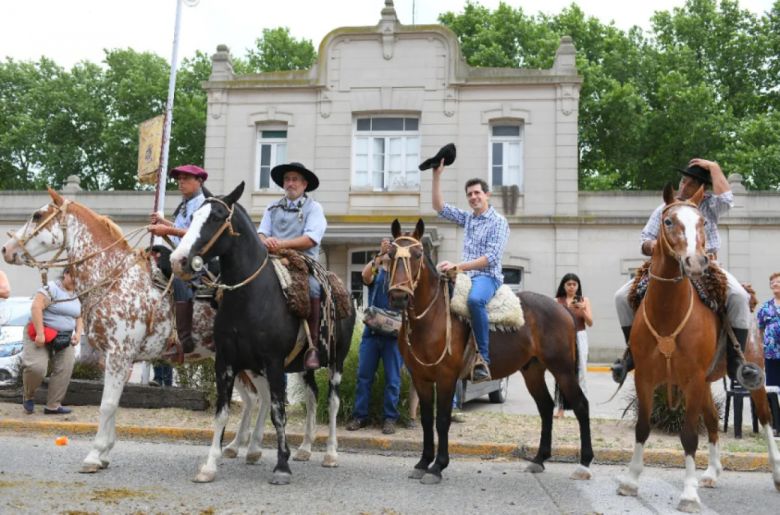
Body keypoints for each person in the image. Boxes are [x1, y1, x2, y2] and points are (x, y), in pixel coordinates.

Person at [611, 158, 757, 387]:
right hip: (665, 267)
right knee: (621, 297)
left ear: (702, 189)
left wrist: (714, 166)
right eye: (683, 180)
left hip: (705, 264)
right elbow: (644, 240)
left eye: (690, 183)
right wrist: (657, 246)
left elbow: (728, 199)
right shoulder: (665, 209)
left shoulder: (709, 205)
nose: (683, 187)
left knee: (739, 296)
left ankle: (736, 361)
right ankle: (631, 355)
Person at [432, 160, 509, 383]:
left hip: (487, 277)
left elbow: (491, 259)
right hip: (465, 276)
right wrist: (437, 175)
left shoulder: (498, 222)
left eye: (477, 193)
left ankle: (483, 359)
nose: (473, 197)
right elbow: (439, 207)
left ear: (487, 195)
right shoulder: (468, 218)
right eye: (469, 194)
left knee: (475, 301)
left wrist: (459, 267)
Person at [257, 162, 327, 370]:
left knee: (313, 287)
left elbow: (310, 240)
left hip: (301, 262)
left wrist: (279, 244)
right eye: (287, 179)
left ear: (305, 184)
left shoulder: (314, 208)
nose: (290, 183)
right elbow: (261, 232)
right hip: (272, 261)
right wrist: (264, 241)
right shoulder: (272, 207)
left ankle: (312, 346)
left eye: (295, 179)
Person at [147, 164, 209, 356]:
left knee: (179, 277)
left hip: (197, 259)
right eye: (179, 179)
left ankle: (184, 338)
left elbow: (196, 234)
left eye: (186, 179)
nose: (181, 183)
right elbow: (181, 231)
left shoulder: (205, 205)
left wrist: (167, 230)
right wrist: (164, 223)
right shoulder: (185, 205)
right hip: (180, 254)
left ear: (199, 181)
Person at [346, 238, 404, 434]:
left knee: (393, 380)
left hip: (393, 336)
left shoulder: (401, 274)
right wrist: (379, 256)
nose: (391, 252)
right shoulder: (377, 269)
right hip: (371, 333)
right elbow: (365, 276)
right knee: (364, 377)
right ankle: (360, 417)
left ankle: (390, 419)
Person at [21, 267, 83, 415]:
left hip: (63, 336)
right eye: (74, 276)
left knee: (65, 368)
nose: (77, 281)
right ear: (66, 274)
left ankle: (53, 405)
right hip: (41, 333)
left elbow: (79, 315)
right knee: (37, 368)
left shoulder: (77, 293)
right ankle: (28, 395)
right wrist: (41, 334)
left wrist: (78, 333)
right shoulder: (51, 288)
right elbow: (36, 307)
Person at [554, 273, 593, 418]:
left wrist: (582, 309)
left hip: (580, 336)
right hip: (562, 339)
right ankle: (560, 409)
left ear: (578, 286)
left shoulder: (584, 300)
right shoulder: (557, 301)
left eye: (574, 284)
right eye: (568, 284)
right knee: (562, 372)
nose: (571, 287)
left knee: (581, 371)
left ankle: (582, 407)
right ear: (563, 286)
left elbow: (590, 323)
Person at [757, 272, 780, 388]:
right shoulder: (765, 308)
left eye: (778, 282)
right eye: (773, 282)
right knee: (773, 387)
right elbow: (759, 330)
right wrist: (761, 347)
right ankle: (774, 407)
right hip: (771, 354)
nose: (775, 284)